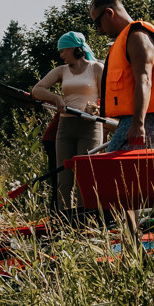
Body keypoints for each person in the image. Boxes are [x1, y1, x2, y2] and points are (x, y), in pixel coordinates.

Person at [29, 32, 105, 209]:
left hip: (90, 126)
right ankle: (64, 221)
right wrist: (56, 98)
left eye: (63, 51)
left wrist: (97, 108)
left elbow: (107, 96)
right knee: (64, 178)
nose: (61, 55)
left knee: (84, 176)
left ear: (74, 49)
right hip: (65, 127)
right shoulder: (61, 71)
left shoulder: (96, 68)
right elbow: (37, 90)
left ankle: (85, 219)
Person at [90, 0, 154, 153]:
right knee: (120, 174)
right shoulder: (126, 38)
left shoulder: (137, 37)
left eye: (97, 23)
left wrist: (138, 124)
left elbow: (145, 80)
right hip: (132, 120)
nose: (99, 30)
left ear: (109, 12)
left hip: (143, 120)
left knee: (115, 172)